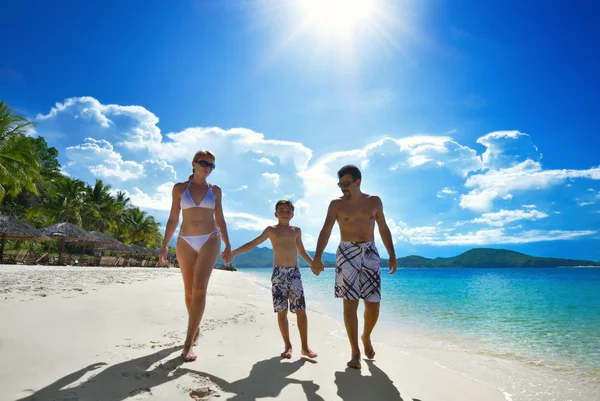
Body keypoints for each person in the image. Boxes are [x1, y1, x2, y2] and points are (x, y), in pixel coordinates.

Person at [311, 164, 397, 369]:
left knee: (373, 304)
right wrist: (318, 256)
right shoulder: (336, 205)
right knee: (349, 303)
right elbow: (325, 230)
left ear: (358, 182)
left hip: (370, 253)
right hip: (347, 253)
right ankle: (354, 351)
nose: (343, 188)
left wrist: (392, 255)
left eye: (347, 184)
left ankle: (366, 337)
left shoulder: (374, 201)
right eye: (340, 184)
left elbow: (383, 228)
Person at [160, 150, 232, 362]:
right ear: (193, 163)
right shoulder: (180, 188)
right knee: (189, 291)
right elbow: (173, 218)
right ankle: (196, 327)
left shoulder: (216, 191)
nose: (207, 167)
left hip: (210, 238)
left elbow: (220, 218)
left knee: (199, 287)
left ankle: (188, 342)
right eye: (203, 162)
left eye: (211, 165)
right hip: (185, 240)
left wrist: (228, 244)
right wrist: (164, 245)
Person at [231, 200, 318, 359]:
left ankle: (305, 347)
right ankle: (288, 346)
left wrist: (313, 264)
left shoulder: (296, 230)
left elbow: (302, 251)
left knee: (301, 310)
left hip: (294, 273)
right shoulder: (271, 230)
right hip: (278, 273)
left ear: (293, 214)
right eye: (281, 211)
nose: (284, 213)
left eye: (288, 211)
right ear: (275, 214)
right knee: (281, 311)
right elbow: (253, 243)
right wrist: (233, 252)